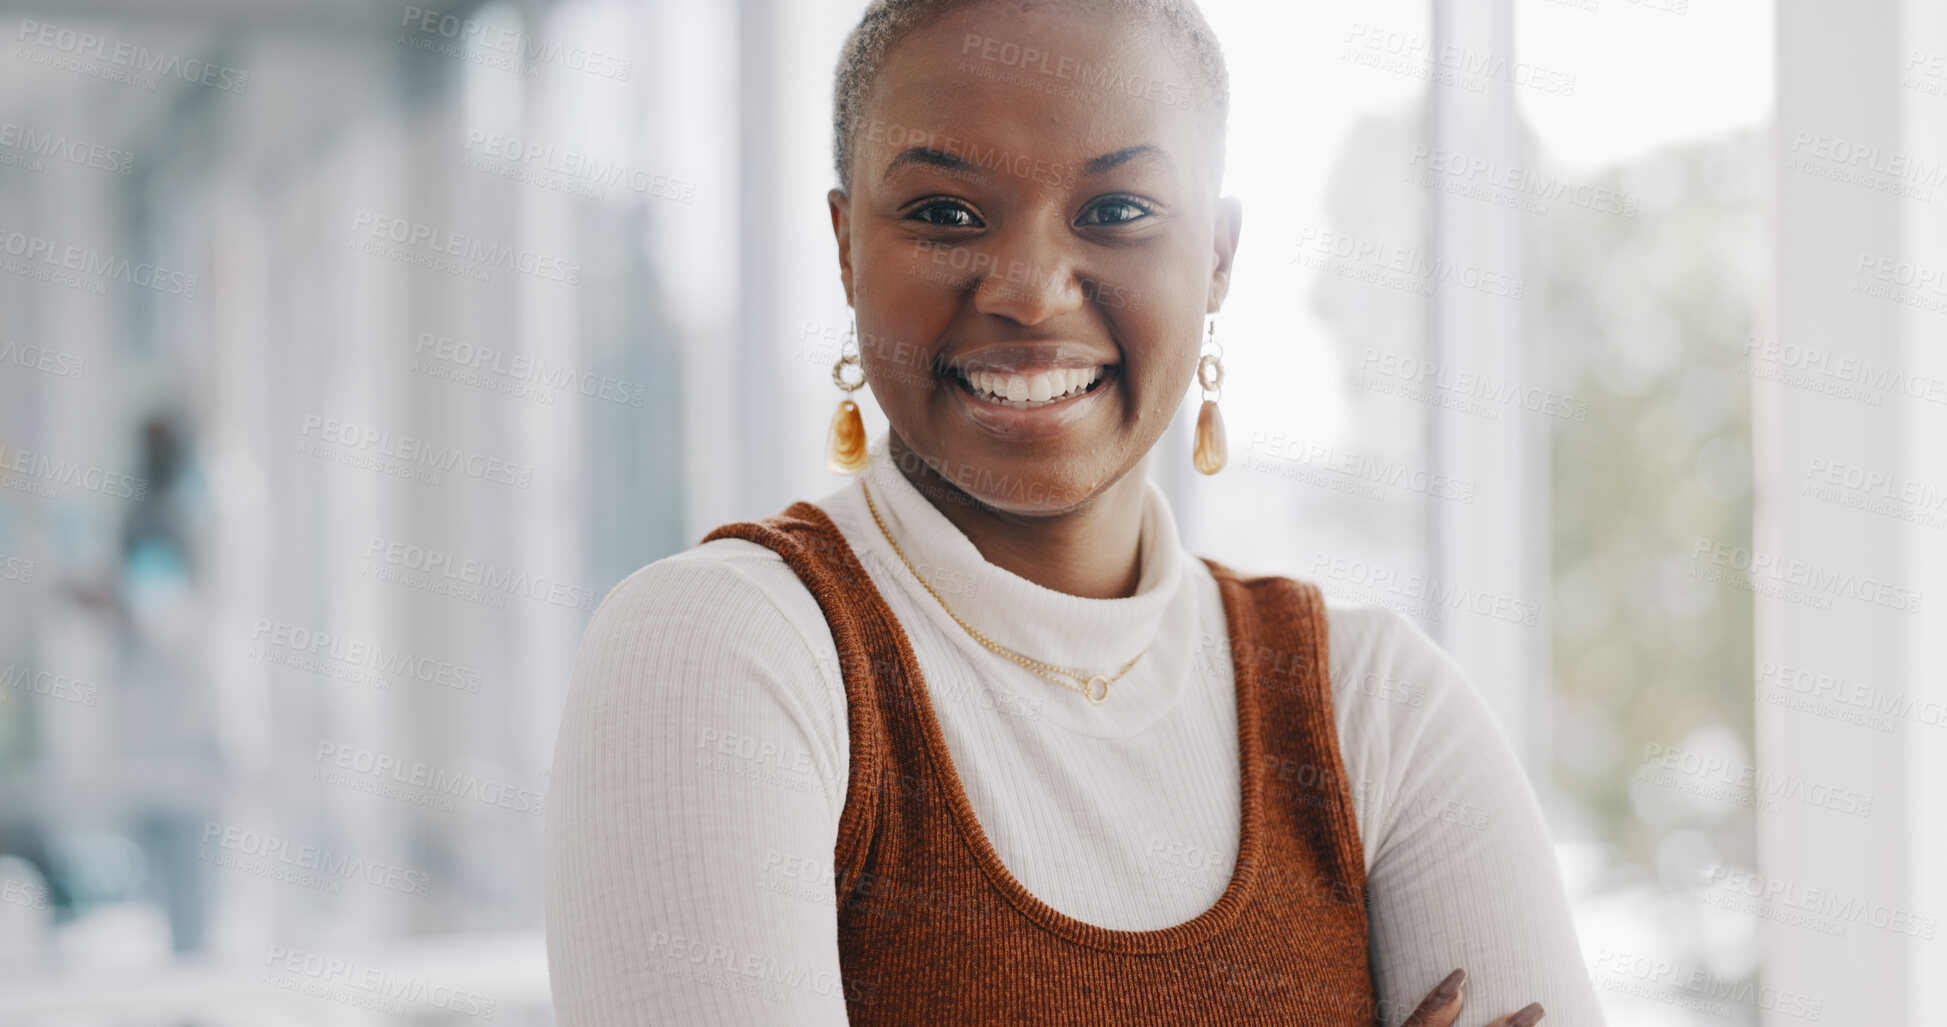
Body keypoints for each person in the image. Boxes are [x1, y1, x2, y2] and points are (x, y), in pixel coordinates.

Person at [545, 0, 1606, 1023]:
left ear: (1220, 258)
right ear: (846, 248)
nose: (1030, 289)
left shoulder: (1372, 706)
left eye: (1117, 211)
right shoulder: (726, 653)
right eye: (943, 213)